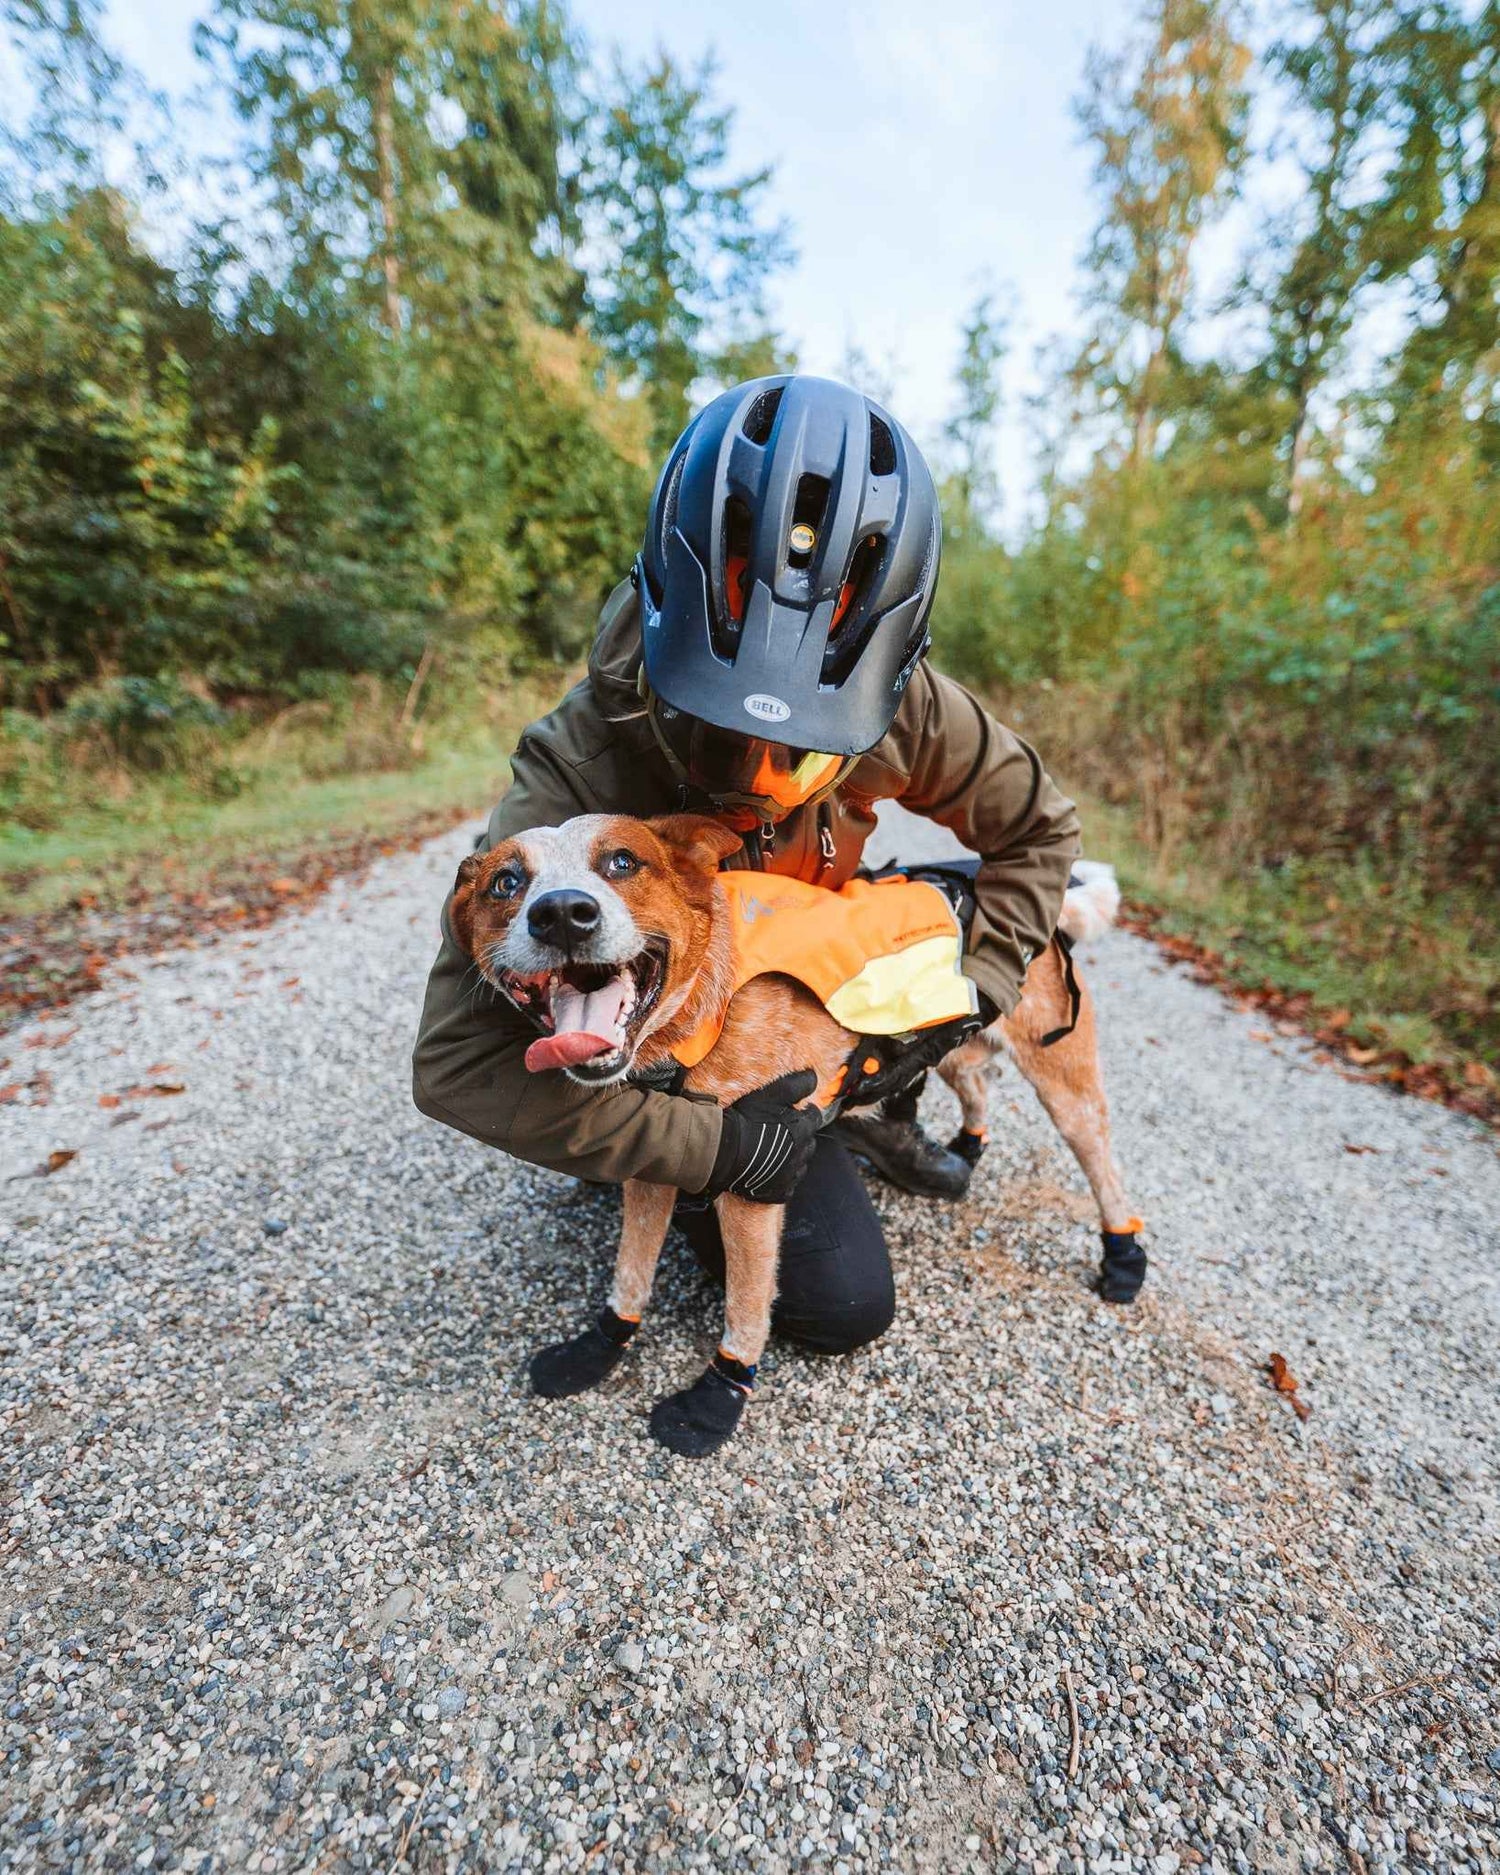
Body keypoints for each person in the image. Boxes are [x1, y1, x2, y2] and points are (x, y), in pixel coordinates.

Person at [413, 374, 1080, 1358]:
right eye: (721, 730)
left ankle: (844, 1103)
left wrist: (980, 985)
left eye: (809, 740)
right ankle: (682, 1138)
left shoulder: (908, 702)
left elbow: (1039, 830)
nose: (765, 778)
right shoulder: (582, 754)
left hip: (798, 998)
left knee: (842, 1299)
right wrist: (716, 1145)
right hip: (676, 1034)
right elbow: (457, 1066)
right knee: (826, 1292)